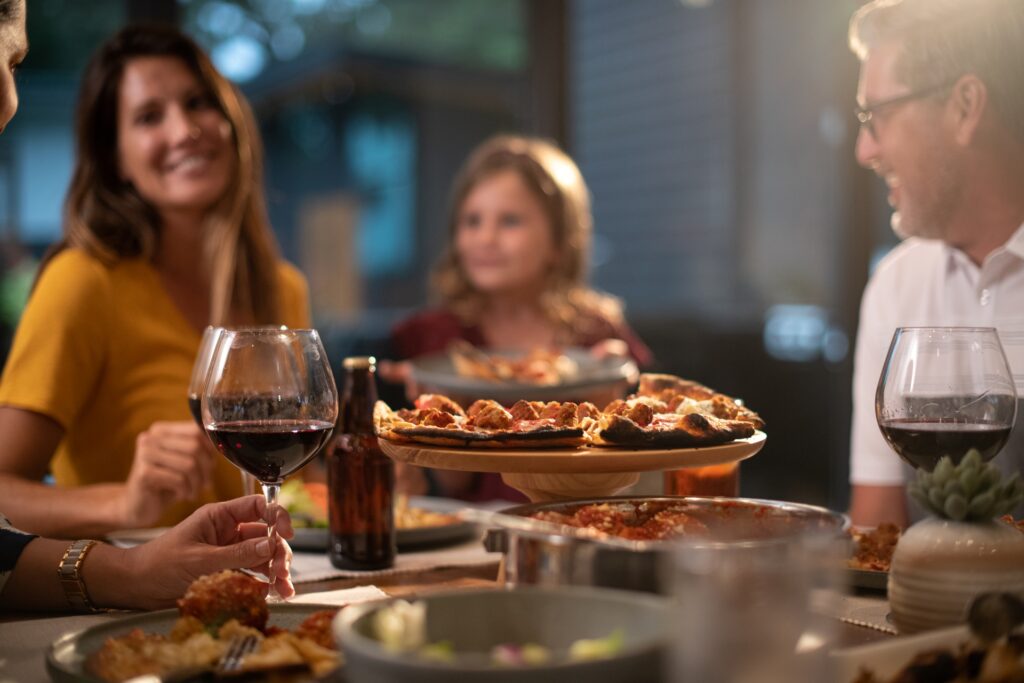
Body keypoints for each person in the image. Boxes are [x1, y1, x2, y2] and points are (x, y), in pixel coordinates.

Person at [0, 2, 294, 612]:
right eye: (148, 116)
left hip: (247, 596)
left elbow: (289, 482)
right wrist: (123, 503)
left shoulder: (280, 289)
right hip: (113, 608)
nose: (184, 129)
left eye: (198, 102)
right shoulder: (83, 283)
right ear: (118, 162)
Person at [384, 135, 652, 500]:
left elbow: (634, 481)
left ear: (559, 242)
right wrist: (437, 415)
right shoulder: (431, 339)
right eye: (472, 220)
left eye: (509, 221)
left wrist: (612, 403)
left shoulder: (595, 336)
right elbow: (449, 489)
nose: (485, 238)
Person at [847, 0, 1024, 528]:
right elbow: (878, 537)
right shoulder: (896, 285)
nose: (864, 149)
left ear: (966, 105)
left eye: (877, 115)